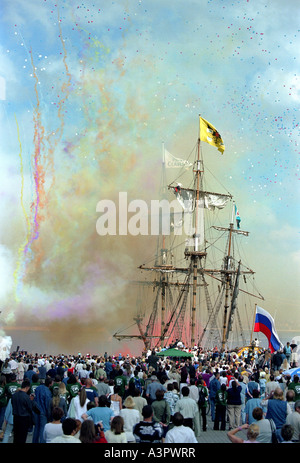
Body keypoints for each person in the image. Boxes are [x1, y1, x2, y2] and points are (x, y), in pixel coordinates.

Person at [11, 379, 40, 443]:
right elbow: (30, 407)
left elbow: (12, 404)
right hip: (24, 418)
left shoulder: (14, 395)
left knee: (16, 437)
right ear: (27, 387)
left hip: (15, 417)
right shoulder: (26, 397)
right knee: (22, 437)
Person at [32, 377, 53, 443]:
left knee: (36, 428)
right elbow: (47, 404)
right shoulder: (47, 391)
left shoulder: (38, 388)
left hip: (36, 410)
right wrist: (49, 416)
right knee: (42, 429)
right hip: (43, 412)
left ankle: (34, 441)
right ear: (50, 384)